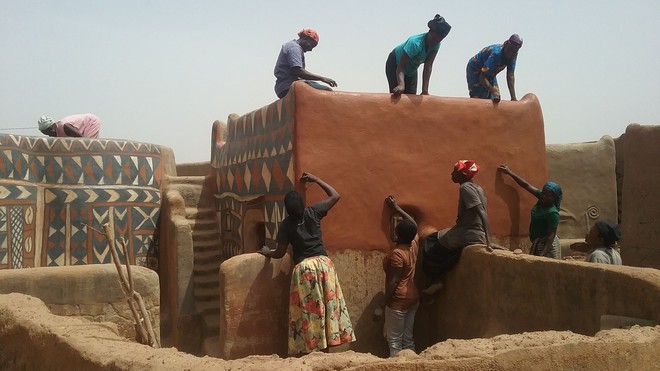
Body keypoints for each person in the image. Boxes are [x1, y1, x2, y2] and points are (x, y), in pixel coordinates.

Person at [258, 172, 355, 354]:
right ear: (302, 204)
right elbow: (335, 195)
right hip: (325, 266)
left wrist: (267, 252)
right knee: (327, 308)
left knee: (310, 313)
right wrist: (316, 179)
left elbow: (279, 253)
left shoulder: (287, 225)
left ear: (287, 209)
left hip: (305, 270)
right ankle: (326, 350)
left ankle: (312, 353)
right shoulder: (313, 212)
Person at [422, 160, 492, 295]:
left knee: (430, 245)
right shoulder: (478, 188)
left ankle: (436, 280)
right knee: (435, 237)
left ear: (462, 174)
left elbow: (482, 212)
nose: (452, 174)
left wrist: (489, 241)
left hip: (468, 232)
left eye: (455, 171)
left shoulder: (465, 188)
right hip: (468, 230)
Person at [377, 195, 420, 357]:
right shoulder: (414, 242)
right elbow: (414, 225)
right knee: (408, 340)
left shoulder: (397, 254)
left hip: (398, 300)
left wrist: (381, 306)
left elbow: (394, 281)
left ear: (398, 235)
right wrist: (397, 208)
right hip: (413, 297)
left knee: (394, 342)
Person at [497, 164, 562, 259]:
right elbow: (526, 185)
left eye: (548, 195)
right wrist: (509, 172)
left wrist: (542, 255)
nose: (544, 196)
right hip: (538, 243)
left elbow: (551, 236)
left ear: (554, 198)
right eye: (543, 192)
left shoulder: (552, 213)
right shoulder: (541, 198)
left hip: (548, 246)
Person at [386, 14, 451, 96]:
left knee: (412, 97)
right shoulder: (415, 43)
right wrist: (401, 85)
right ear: (430, 32)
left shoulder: (436, 45)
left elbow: (428, 66)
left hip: (412, 69)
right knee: (398, 94)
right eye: (434, 38)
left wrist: (425, 90)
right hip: (396, 64)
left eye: (439, 40)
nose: (435, 42)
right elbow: (401, 66)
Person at [274, 29, 337, 99]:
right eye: (311, 45)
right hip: (289, 86)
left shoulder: (292, 46)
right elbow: (298, 70)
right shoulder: (294, 47)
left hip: (283, 86)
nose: (310, 49)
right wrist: (322, 78)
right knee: (326, 91)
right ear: (306, 38)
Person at [466, 34, 523, 103]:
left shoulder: (513, 56)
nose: (511, 53)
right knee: (479, 97)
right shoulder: (496, 54)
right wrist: (492, 90)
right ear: (507, 45)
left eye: (514, 51)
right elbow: (482, 77)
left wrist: (513, 98)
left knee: (495, 98)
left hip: (489, 73)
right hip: (475, 69)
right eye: (510, 49)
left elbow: (510, 76)